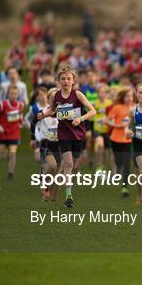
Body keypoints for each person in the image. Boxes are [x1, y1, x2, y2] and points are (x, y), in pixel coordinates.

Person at [38, 66, 96, 208]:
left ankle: (51, 186)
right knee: (69, 164)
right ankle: (68, 197)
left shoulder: (78, 95)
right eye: (63, 79)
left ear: (73, 81)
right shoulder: (57, 96)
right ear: (58, 81)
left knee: (73, 166)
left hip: (78, 134)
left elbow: (93, 111)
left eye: (68, 79)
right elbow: (52, 110)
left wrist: (81, 119)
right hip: (63, 133)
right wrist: (43, 114)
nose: (65, 81)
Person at [30, 88, 59, 201]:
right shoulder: (43, 112)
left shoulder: (63, 112)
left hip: (60, 145)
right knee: (52, 166)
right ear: (48, 100)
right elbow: (33, 123)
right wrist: (33, 139)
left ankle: (47, 193)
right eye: (52, 98)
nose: (54, 100)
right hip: (46, 144)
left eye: (56, 97)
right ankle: (45, 185)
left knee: (56, 172)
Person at [0, 85, 24, 180]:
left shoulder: (20, 105)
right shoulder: (3, 104)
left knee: (12, 153)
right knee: (2, 156)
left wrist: (21, 123)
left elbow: (20, 116)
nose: (13, 95)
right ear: (8, 94)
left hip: (15, 133)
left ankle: (10, 174)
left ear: (18, 94)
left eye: (15, 93)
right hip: (3, 133)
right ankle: (4, 154)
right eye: (11, 93)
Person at [107, 87, 135, 197]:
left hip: (129, 140)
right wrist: (118, 125)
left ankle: (125, 186)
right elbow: (108, 120)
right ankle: (118, 170)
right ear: (123, 97)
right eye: (127, 96)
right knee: (119, 162)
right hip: (116, 139)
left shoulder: (135, 108)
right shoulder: (117, 107)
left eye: (131, 96)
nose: (129, 98)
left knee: (127, 161)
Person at [92, 84, 112, 172]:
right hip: (97, 129)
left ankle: (112, 169)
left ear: (107, 94)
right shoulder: (94, 104)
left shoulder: (110, 104)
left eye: (103, 92)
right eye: (99, 93)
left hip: (108, 130)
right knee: (100, 145)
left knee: (109, 151)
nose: (101, 94)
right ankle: (99, 166)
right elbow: (90, 116)